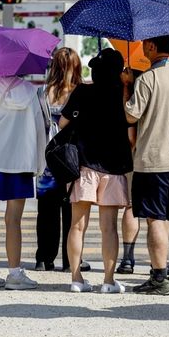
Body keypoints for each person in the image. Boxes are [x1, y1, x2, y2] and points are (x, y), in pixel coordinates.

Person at [124, 34, 169, 295]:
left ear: (153, 46)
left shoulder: (147, 79)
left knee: (156, 220)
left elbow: (131, 115)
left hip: (152, 160)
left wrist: (127, 86)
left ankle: (159, 278)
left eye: (146, 43)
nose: (143, 47)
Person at [60, 49, 132, 293]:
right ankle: (109, 281)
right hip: (113, 168)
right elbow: (131, 132)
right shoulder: (123, 94)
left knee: (77, 225)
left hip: (84, 166)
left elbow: (62, 124)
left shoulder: (83, 91)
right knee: (109, 227)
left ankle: (76, 278)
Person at [0, 73, 45, 290]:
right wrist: (38, 163)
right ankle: (14, 273)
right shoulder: (30, 90)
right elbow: (39, 127)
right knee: (13, 220)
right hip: (19, 160)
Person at [35, 47, 83, 272]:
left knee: (46, 211)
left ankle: (44, 257)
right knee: (71, 210)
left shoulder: (42, 92)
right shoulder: (79, 92)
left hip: (46, 158)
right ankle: (70, 259)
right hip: (72, 159)